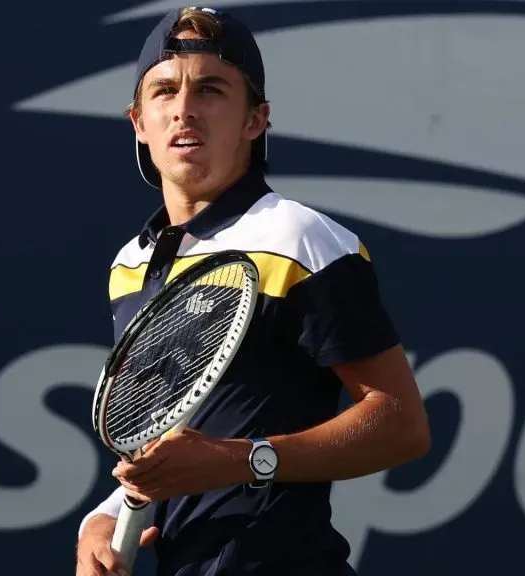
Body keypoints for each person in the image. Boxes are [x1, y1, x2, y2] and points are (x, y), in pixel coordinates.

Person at [76, 7, 430, 576]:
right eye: (164, 91)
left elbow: (401, 424)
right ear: (139, 121)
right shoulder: (132, 264)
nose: (184, 109)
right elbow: (176, 443)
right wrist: (105, 514)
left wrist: (243, 461)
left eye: (211, 89)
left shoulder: (301, 238)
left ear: (255, 120)